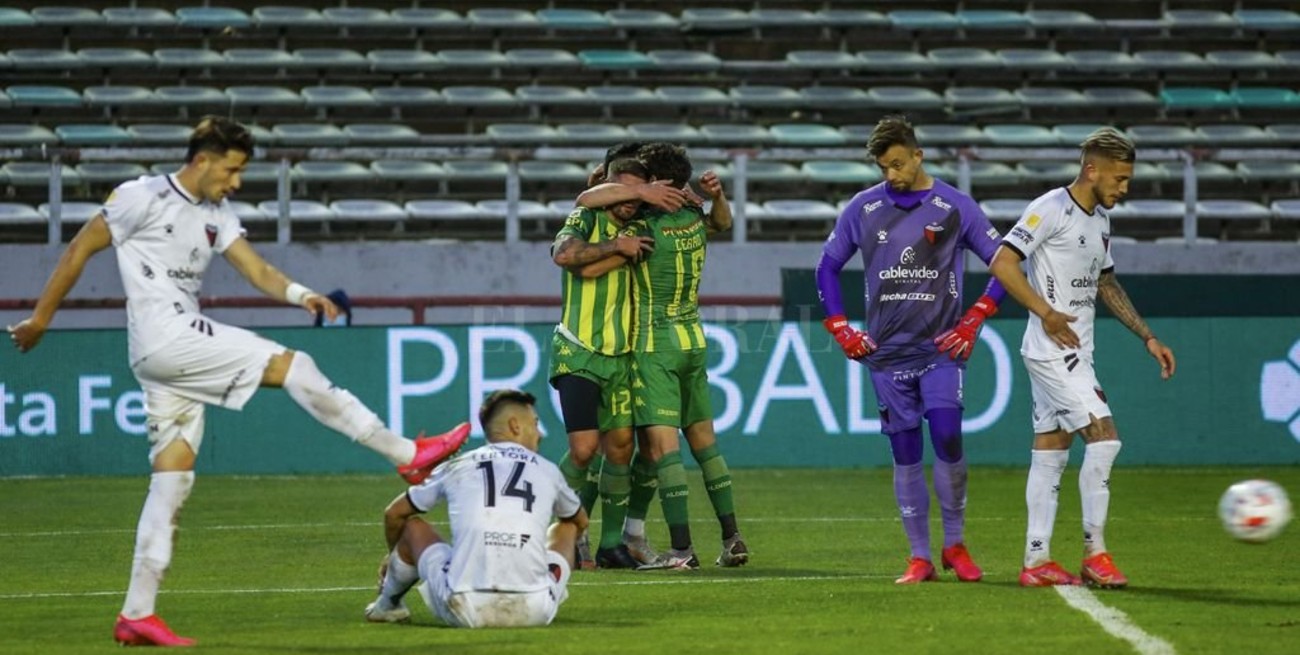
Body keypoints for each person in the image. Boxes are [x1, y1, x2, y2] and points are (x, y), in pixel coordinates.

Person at [5, 116, 470, 646]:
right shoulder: (140, 197)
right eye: (232, 169)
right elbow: (78, 250)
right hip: (167, 336)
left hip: (164, 355)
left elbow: (258, 270)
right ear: (202, 159)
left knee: (171, 480)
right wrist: (41, 319)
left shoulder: (216, 213)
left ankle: (136, 613)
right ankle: (405, 452)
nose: (236, 181)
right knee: (295, 366)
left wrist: (303, 296)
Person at [814, 115, 1007, 584]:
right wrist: (840, 327)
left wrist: (976, 317)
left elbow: (1005, 263)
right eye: (884, 168)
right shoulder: (863, 208)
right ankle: (919, 556)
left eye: (898, 164)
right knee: (904, 452)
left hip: (940, 348)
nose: (891, 175)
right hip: (885, 354)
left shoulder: (955, 206)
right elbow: (827, 267)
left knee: (946, 435)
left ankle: (955, 544)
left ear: (918, 156)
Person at [989, 127, 1175, 588]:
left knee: (1051, 450)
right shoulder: (1050, 209)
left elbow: (1106, 284)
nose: (1124, 188)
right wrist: (1046, 312)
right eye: (1119, 178)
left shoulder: (1100, 221)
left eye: (1128, 179)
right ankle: (1096, 553)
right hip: (1054, 351)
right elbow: (1002, 263)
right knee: (1105, 439)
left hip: (1077, 350)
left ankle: (1036, 560)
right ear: (1091, 169)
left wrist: (1146, 337)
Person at [577, 142, 748, 570]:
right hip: (693, 336)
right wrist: (716, 197)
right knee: (707, 446)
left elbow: (587, 208)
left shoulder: (644, 225)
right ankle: (732, 539)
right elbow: (722, 224)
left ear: (656, 183)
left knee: (662, 450)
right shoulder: (691, 216)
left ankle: (682, 549)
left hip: (655, 345)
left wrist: (608, 192)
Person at [363, 389, 589, 628]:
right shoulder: (549, 470)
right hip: (535, 609)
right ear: (514, 425)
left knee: (411, 525)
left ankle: (388, 605)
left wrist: (394, 557)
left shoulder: (458, 466)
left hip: (465, 607)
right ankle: (546, 583)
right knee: (566, 527)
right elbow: (580, 521)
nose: (540, 433)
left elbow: (394, 513)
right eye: (534, 424)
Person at [548, 155, 667, 569]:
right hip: (578, 349)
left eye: (640, 193)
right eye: (626, 192)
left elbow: (592, 267)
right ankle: (565, 530)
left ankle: (611, 545)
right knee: (583, 450)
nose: (632, 202)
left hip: (621, 356)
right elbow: (565, 257)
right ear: (611, 189)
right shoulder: (583, 218)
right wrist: (617, 249)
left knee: (620, 448)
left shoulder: (640, 227)